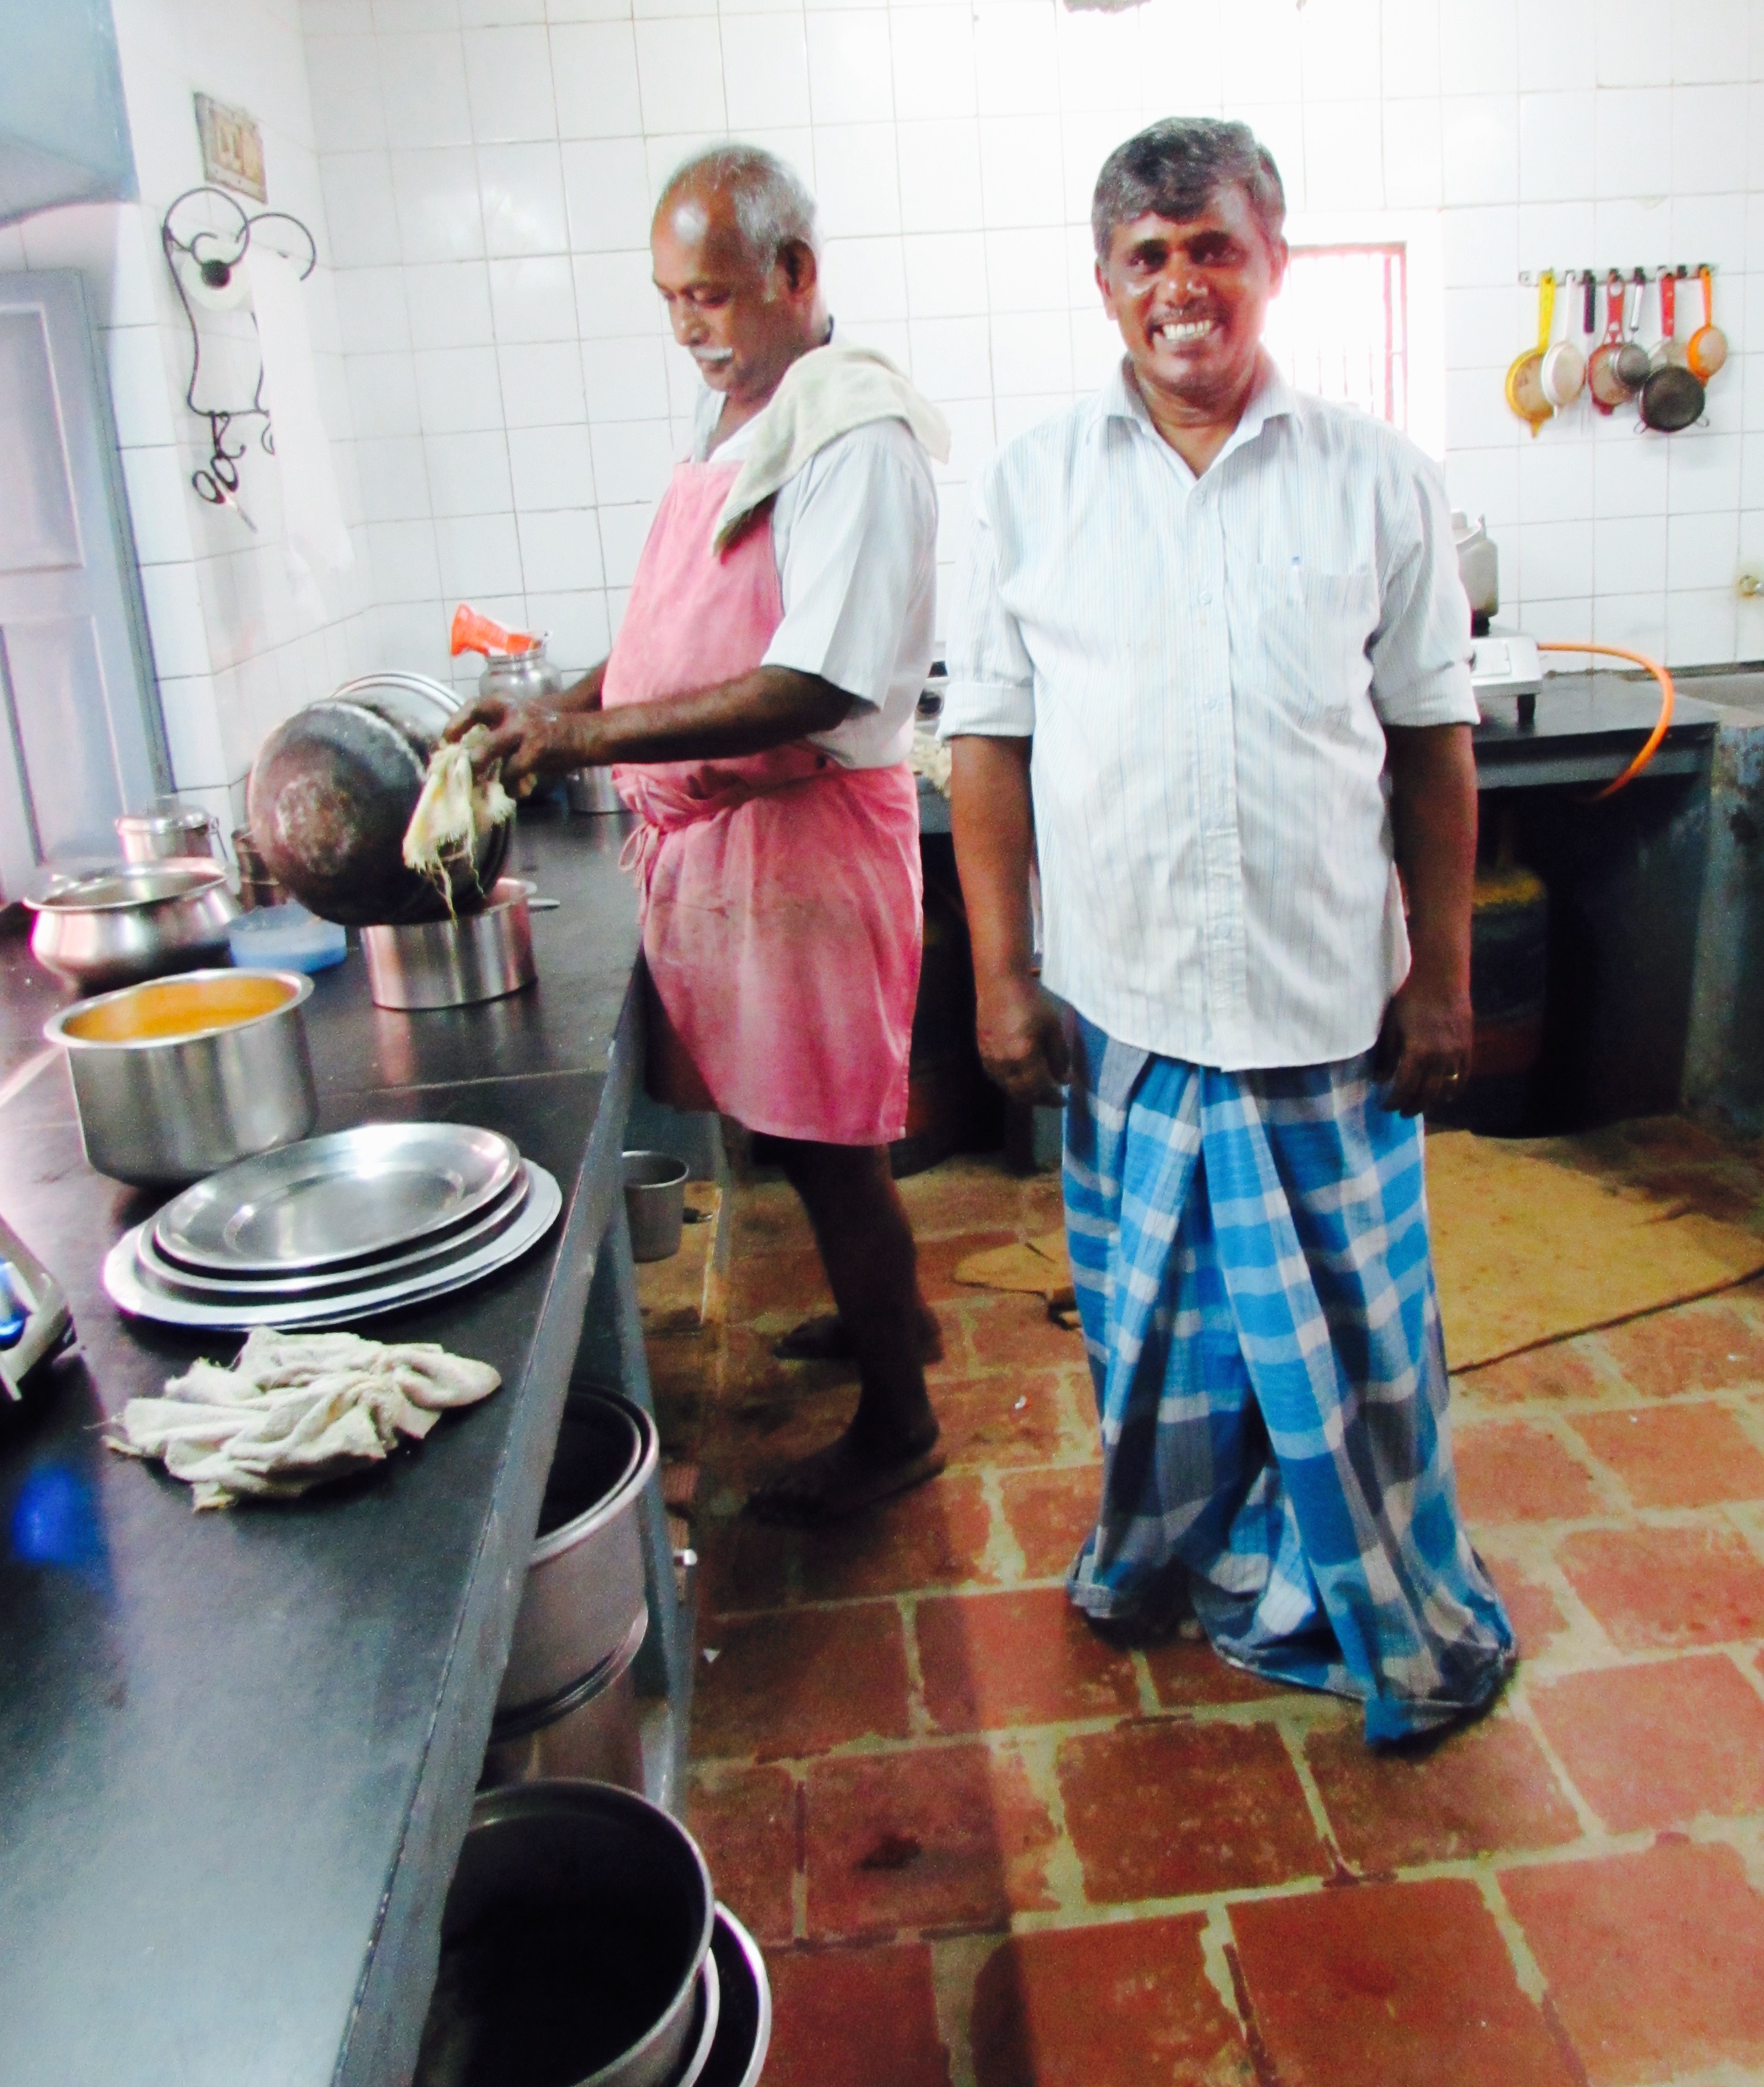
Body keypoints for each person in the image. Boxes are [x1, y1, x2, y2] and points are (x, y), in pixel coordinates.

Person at [941, 117, 1514, 1742]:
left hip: (1325, 1008)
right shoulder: (1033, 487)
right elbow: (988, 747)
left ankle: (1372, 1587)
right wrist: (1001, 974)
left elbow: (1432, 745)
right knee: (1156, 1343)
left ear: (1274, 264)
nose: (1181, 285)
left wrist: (1443, 981)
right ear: (1105, 282)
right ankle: (1171, 1556)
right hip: (1125, 1009)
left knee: (1360, 1354)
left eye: (1213, 249)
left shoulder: (1379, 479)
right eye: (1149, 256)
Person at [450, 144, 947, 1525]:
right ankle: (894, 1320)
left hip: (807, 835)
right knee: (803, 1129)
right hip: (738, 837)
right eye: (671, 298)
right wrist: (559, 703)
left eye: (713, 295)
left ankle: (902, 1423)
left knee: (831, 1141)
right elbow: (677, 632)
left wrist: (588, 742)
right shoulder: (738, 417)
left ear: (796, 273)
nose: (689, 327)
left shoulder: (853, 434)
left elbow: (816, 682)